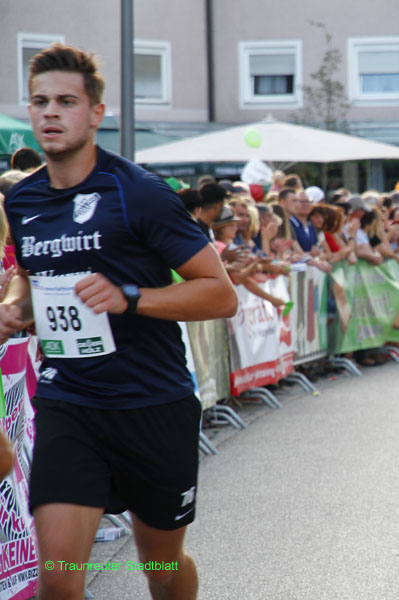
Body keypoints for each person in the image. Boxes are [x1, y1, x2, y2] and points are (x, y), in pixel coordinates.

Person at [1, 43, 237, 600]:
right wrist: (14, 308)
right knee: (59, 579)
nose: (50, 112)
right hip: (69, 401)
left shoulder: (140, 193)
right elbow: (30, 279)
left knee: (161, 564)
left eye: (66, 101)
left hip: (151, 401)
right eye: (40, 101)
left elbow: (220, 294)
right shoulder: (24, 201)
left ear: (96, 113)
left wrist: (130, 297)